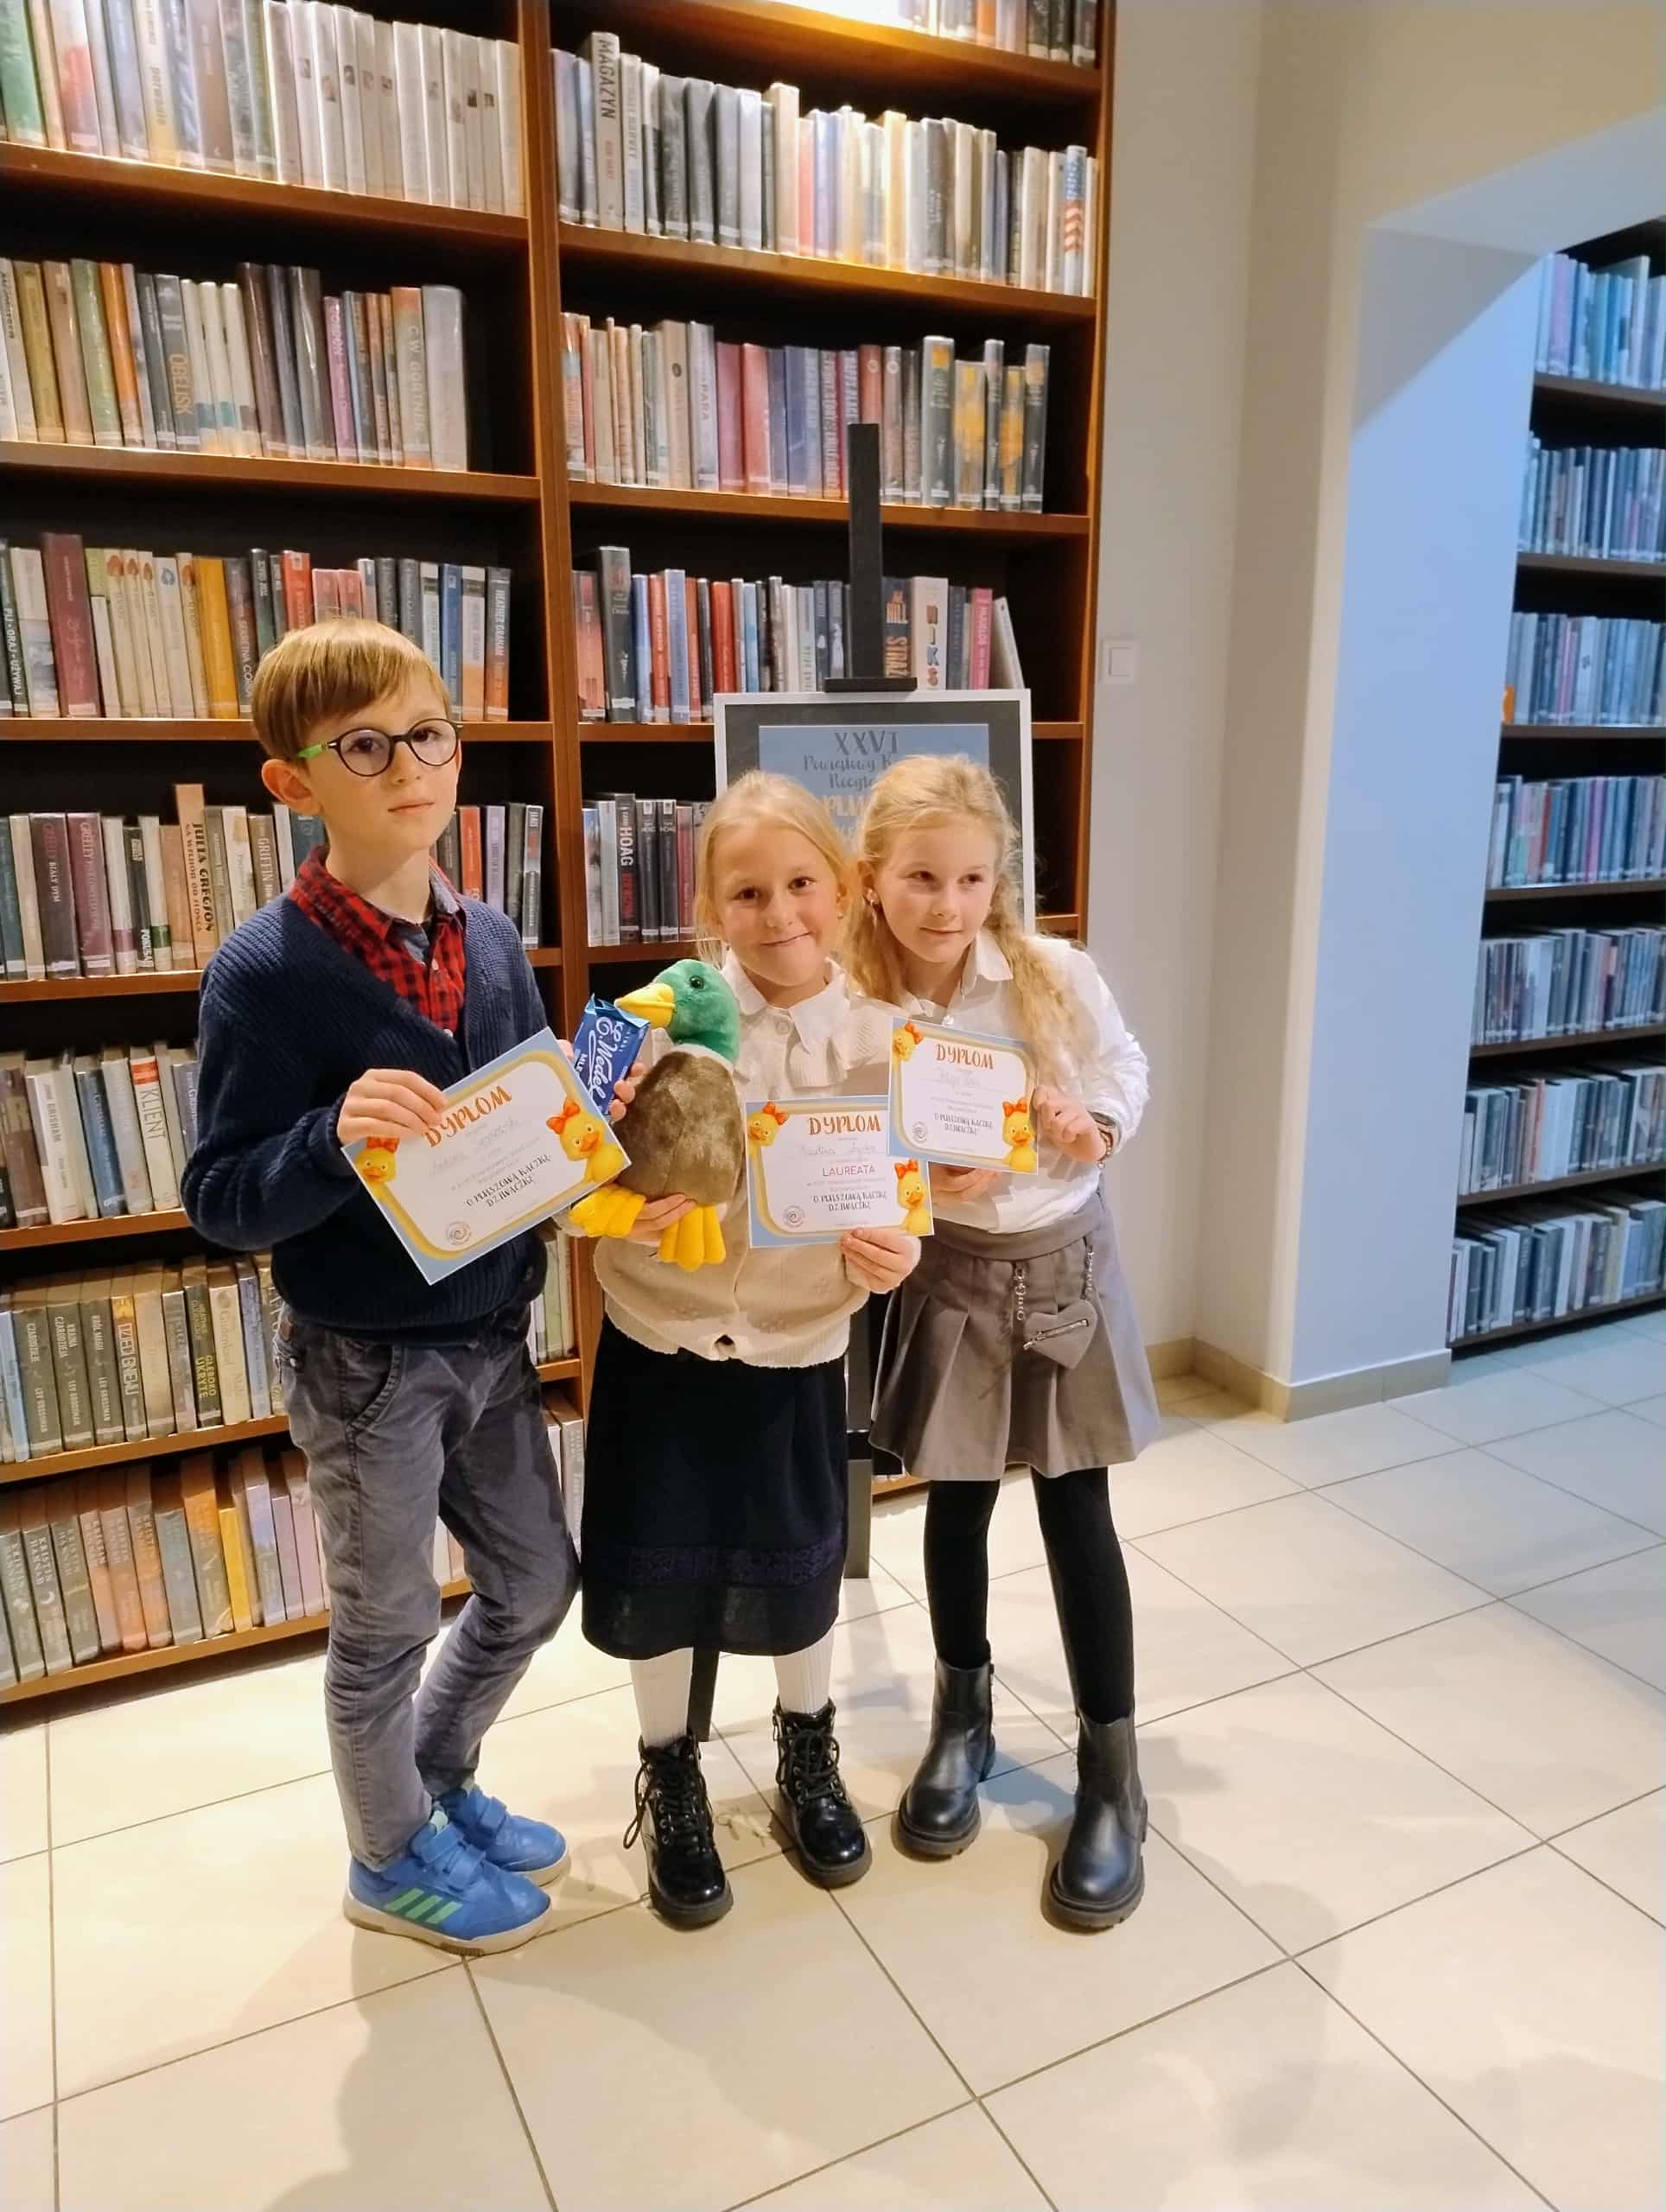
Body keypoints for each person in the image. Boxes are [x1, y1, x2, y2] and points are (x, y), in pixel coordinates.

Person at [182, 618, 576, 1957]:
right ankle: (388, 1852)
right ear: (293, 781)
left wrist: (601, 1143)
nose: (409, 766)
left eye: (428, 734)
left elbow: (530, 1129)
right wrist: (330, 1140)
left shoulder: (491, 937)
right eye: (363, 746)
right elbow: (222, 1199)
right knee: (387, 1620)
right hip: (366, 1362)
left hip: (494, 1337)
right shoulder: (265, 975)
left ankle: (437, 1778)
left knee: (536, 1582)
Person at [576, 771, 919, 1927]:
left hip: (798, 1344)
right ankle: (670, 1768)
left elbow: (907, 1204)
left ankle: (806, 1746)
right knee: (659, 1563)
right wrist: (611, 1212)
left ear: (846, 889)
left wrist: (894, 1256)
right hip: (659, 1336)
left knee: (797, 1556)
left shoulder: (886, 1041)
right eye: (748, 892)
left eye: (802, 884)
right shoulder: (637, 1026)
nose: (779, 915)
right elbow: (551, 1177)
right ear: (708, 909)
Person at [844, 753, 1158, 1929]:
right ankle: (961, 1721)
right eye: (922, 878)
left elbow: (1123, 1066)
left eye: (972, 879)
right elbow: (836, 1131)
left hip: (1063, 1258)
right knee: (958, 1497)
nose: (948, 904)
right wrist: (913, 1171)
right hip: (950, 1269)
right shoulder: (855, 1000)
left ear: (998, 881)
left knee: (1079, 1509)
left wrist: (1094, 1120)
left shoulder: (1051, 973)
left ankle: (1112, 1773)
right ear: (873, 880)